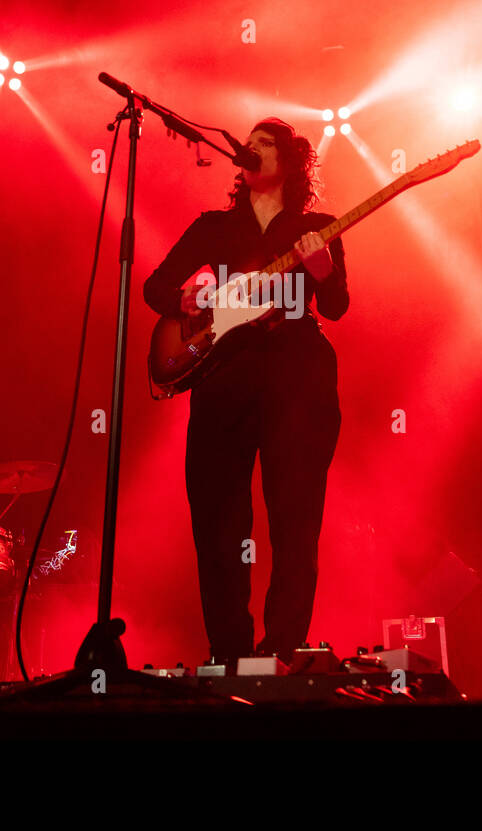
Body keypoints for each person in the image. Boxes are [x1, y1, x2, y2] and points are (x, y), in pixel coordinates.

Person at [143, 117, 348, 665]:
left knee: (295, 520)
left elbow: (337, 308)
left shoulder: (319, 226)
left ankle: (281, 653)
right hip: (224, 376)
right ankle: (229, 654)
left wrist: (324, 272)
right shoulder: (213, 227)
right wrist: (183, 300)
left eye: (263, 144)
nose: (249, 150)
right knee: (217, 522)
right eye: (248, 144)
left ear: (289, 162)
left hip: (297, 372)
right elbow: (154, 286)